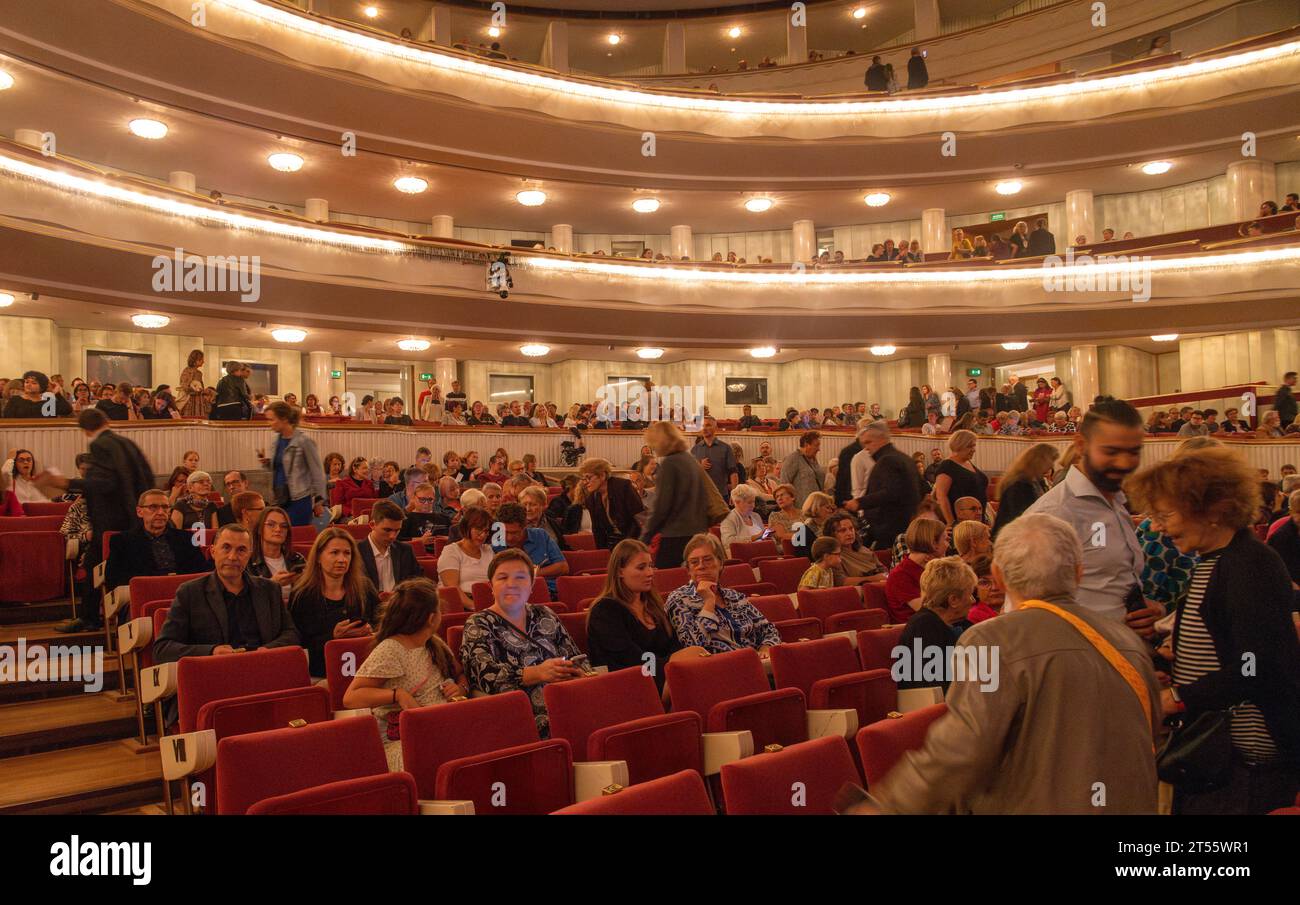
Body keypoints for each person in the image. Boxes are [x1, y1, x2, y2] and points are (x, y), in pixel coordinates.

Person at [866, 513, 1162, 814]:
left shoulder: (991, 640)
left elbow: (964, 749)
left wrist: (886, 807)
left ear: (998, 574)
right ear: (1078, 573)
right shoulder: (1127, 641)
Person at [1125, 447, 1300, 814]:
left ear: (1215, 510)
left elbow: (1257, 667)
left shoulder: (1249, 566)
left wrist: (1176, 696)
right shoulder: (1215, 561)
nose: (1157, 527)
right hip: (1218, 761)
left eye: (1166, 515)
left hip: (1244, 772)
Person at [1022, 398, 1161, 637]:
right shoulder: (1053, 514)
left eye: (1133, 452)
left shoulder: (1115, 503)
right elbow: (1027, 611)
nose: (1124, 463)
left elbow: (1108, 583)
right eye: (1111, 451)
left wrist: (1152, 611)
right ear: (1081, 445)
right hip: (1085, 658)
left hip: (1127, 651)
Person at [36, 409, 157, 632]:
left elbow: (104, 483)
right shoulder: (127, 443)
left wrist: (64, 482)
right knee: (123, 569)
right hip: (134, 519)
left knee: (95, 567)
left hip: (110, 521)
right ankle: (118, 617)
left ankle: (91, 618)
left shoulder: (99, 445)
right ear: (105, 420)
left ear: (85, 430)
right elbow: (148, 477)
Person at [343, 578, 466, 770]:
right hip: (405, 739)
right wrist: (398, 694)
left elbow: (460, 674)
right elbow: (351, 697)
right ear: (431, 618)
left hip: (443, 725)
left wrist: (460, 687)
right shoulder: (392, 648)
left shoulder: (433, 643)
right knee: (442, 756)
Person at [461, 549, 584, 737]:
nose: (512, 584)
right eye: (502, 578)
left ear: (532, 585)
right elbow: (484, 676)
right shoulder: (479, 623)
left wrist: (576, 672)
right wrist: (536, 673)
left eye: (520, 577)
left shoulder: (545, 614)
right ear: (491, 586)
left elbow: (577, 658)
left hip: (567, 701)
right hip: (518, 716)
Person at [154, 524, 300, 665]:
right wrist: (212, 651)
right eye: (226, 547)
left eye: (241, 550)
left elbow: (291, 634)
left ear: (249, 555)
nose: (232, 557)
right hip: (216, 673)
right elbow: (163, 649)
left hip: (263, 667)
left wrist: (268, 650)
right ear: (213, 551)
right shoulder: (190, 593)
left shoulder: (269, 589)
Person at [587, 539, 699, 695]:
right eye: (641, 567)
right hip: (627, 686)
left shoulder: (652, 605)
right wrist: (672, 664)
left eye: (650, 566)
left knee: (698, 662)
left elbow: (674, 645)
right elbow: (630, 661)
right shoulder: (605, 611)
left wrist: (677, 663)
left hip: (663, 678)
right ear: (620, 571)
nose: (650, 573)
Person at [665, 534, 781, 657]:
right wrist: (709, 602)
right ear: (688, 570)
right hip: (715, 668)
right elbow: (693, 644)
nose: (701, 566)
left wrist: (766, 648)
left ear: (720, 563)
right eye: (694, 562)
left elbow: (769, 630)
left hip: (754, 663)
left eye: (707, 559)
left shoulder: (735, 597)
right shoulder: (679, 599)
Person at [288, 527, 380, 678]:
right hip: (322, 672)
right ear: (318, 557)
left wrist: (370, 631)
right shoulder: (302, 595)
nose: (342, 559)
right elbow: (299, 645)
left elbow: (382, 623)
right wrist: (332, 637)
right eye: (334, 553)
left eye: (347, 553)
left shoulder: (364, 587)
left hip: (365, 668)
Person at [896, 557, 977, 692]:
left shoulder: (961, 624)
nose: (973, 601)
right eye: (970, 595)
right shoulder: (923, 628)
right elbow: (932, 688)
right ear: (953, 600)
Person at [641, 421, 711, 568]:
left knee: (667, 580)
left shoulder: (669, 464)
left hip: (676, 535)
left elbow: (662, 506)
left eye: (653, 442)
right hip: (697, 531)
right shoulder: (689, 459)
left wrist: (645, 537)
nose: (653, 447)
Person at [848, 421, 925, 549]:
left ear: (882, 439)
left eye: (868, 442)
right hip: (906, 524)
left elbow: (889, 492)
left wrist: (859, 502)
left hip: (889, 528)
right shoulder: (904, 458)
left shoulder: (887, 460)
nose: (866, 448)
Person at [257, 401, 326, 527]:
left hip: (299, 498)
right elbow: (280, 467)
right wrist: (267, 463)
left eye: (272, 420)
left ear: (283, 419)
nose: (269, 424)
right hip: (280, 497)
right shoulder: (276, 441)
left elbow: (317, 472)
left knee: (297, 534)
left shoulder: (304, 441)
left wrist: (318, 501)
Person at [491, 502, 568, 596]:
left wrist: (530, 574)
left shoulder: (540, 535)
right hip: (513, 594)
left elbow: (563, 567)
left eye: (515, 533)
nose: (509, 538)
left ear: (525, 526)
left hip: (549, 591)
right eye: (505, 532)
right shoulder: (495, 544)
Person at [884, 516, 949, 624]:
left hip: (937, 626)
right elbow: (928, 611)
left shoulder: (930, 567)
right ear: (933, 544)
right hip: (917, 636)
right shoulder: (901, 575)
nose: (948, 545)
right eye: (945, 540)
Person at [991, 442, 1057, 538]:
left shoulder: (1038, 480)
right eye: (1051, 460)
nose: (1052, 465)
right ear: (1040, 460)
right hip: (1011, 535)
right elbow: (1018, 515)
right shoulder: (1018, 483)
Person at [357, 500, 423, 597]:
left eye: (397, 530)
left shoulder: (405, 550)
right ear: (372, 525)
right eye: (387, 530)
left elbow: (419, 581)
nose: (392, 536)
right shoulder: (356, 551)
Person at [578, 457, 643, 550]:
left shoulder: (623, 486)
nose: (585, 482)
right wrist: (601, 552)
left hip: (634, 540)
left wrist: (628, 544)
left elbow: (638, 519)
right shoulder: (591, 498)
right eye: (583, 478)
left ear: (602, 475)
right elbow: (597, 530)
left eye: (588, 477)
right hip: (612, 543)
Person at [438, 505, 493, 610]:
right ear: (467, 527)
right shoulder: (451, 551)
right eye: (478, 529)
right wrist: (475, 607)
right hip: (459, 604)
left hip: (486, 601)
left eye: (486, 531)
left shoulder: (488, 550)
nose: (482, 535)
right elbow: (452, 588)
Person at [931, 430, 988, 527]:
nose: (974, 449)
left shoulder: (968, 463)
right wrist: (951, 523)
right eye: (970, 446)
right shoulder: (947, 466)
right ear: (959, 445)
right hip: (961, 523)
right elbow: (941, 497)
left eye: (974, 446)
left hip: (977, 520)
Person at [247, 505, 305, 595]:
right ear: (259, 529)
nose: (278, 529)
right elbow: (244, 599)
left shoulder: (297, 559)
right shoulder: (247, 562)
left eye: (284, 526)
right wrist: (271, 584)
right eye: (271, 524)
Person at [823, 513, 886, 585]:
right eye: (843, 530)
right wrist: (873, 579)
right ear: (832, 535)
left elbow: (882, 569)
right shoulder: (833, 556)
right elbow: (841, 582)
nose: (849, 533)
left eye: (851, 528)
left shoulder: (864, 550)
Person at [691, 417, 738, 499]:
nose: (704, 428)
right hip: (701, 495)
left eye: (708, 425)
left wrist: (734, 494)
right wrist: (700, 466)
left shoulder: (725, 448)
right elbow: (690, 473)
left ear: (715, 428)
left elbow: (733, 472)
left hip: (720, 494)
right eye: (702, 426)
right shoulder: (695, 449)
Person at [781, 431, 825, 508]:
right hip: (801, 507)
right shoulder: (793, 458)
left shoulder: (813, 459)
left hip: (817, 506)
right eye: (816, 445)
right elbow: (784, 484)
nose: (819, 449)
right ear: (806, 445)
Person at [2, 370, 72, 418]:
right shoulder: (15, 400)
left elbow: (66, 410)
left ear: (42, 387)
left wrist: (57, 393)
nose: (28, 385)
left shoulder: (48, 400)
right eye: (27, 382)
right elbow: (8, 418)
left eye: (34, 383)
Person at [719, 484, 766, 555]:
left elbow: (763, 536)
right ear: (737, 502)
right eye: (749, 502)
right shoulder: (728, 518)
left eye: (753, 502)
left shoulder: (756, 516)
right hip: (742, 556)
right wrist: (754, 538)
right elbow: (728, 541)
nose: (753, 505)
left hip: (761, 553)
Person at [176, 350, 208, 418]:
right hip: (190, 400)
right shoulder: (188, 371)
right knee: (189, 420)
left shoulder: (199, 373)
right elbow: (185, 386)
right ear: (195, 360)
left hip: (198, 400)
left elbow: (200, 387)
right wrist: (196, 390)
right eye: (201, 359)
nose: (203, 361)